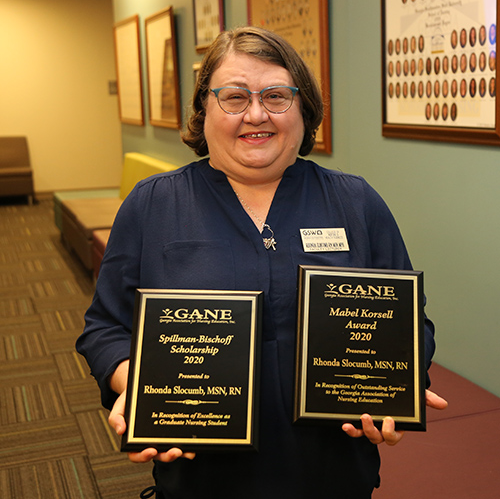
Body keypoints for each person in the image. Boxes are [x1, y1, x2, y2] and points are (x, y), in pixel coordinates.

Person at [76, 26, 447, 499]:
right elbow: (104, 328)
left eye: (276, 96)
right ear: (203, 109)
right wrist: (143, 388)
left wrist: (399, 387)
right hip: (202, 477)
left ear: (303, 108)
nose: (256, 114)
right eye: (233, 97)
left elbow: (409, 322)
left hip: (333, 475)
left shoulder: (356, 202)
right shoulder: (153, 205)